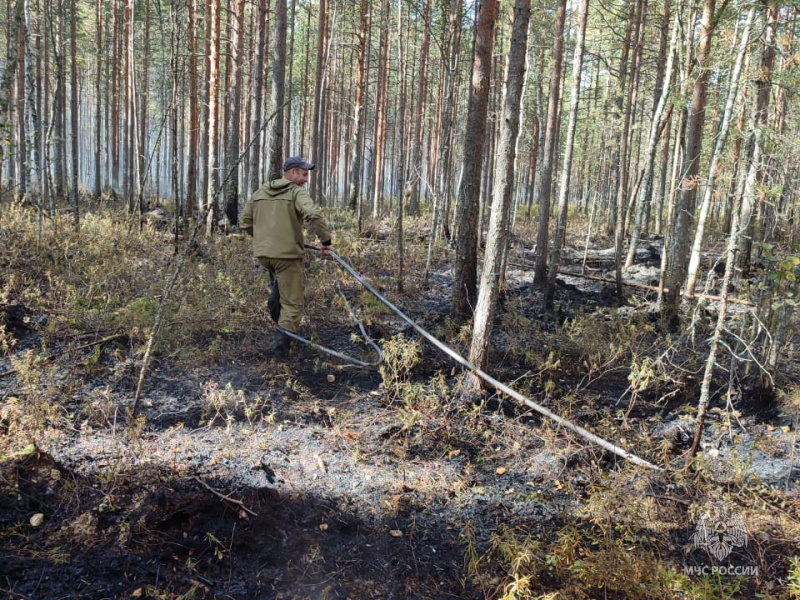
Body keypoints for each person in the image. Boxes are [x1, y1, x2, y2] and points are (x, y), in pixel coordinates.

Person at [241, 156, 333, 358]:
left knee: (279, 287)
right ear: (292, 173)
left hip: (264, 256)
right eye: (304, 174)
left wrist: (266, 240)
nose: (306, 179)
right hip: (287, 257)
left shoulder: (260, 192)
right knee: (292, 304)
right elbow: (314, 215)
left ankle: (277, 310)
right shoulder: (296, 192)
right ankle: (280, 356)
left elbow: (245, 221)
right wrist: (326, 242)